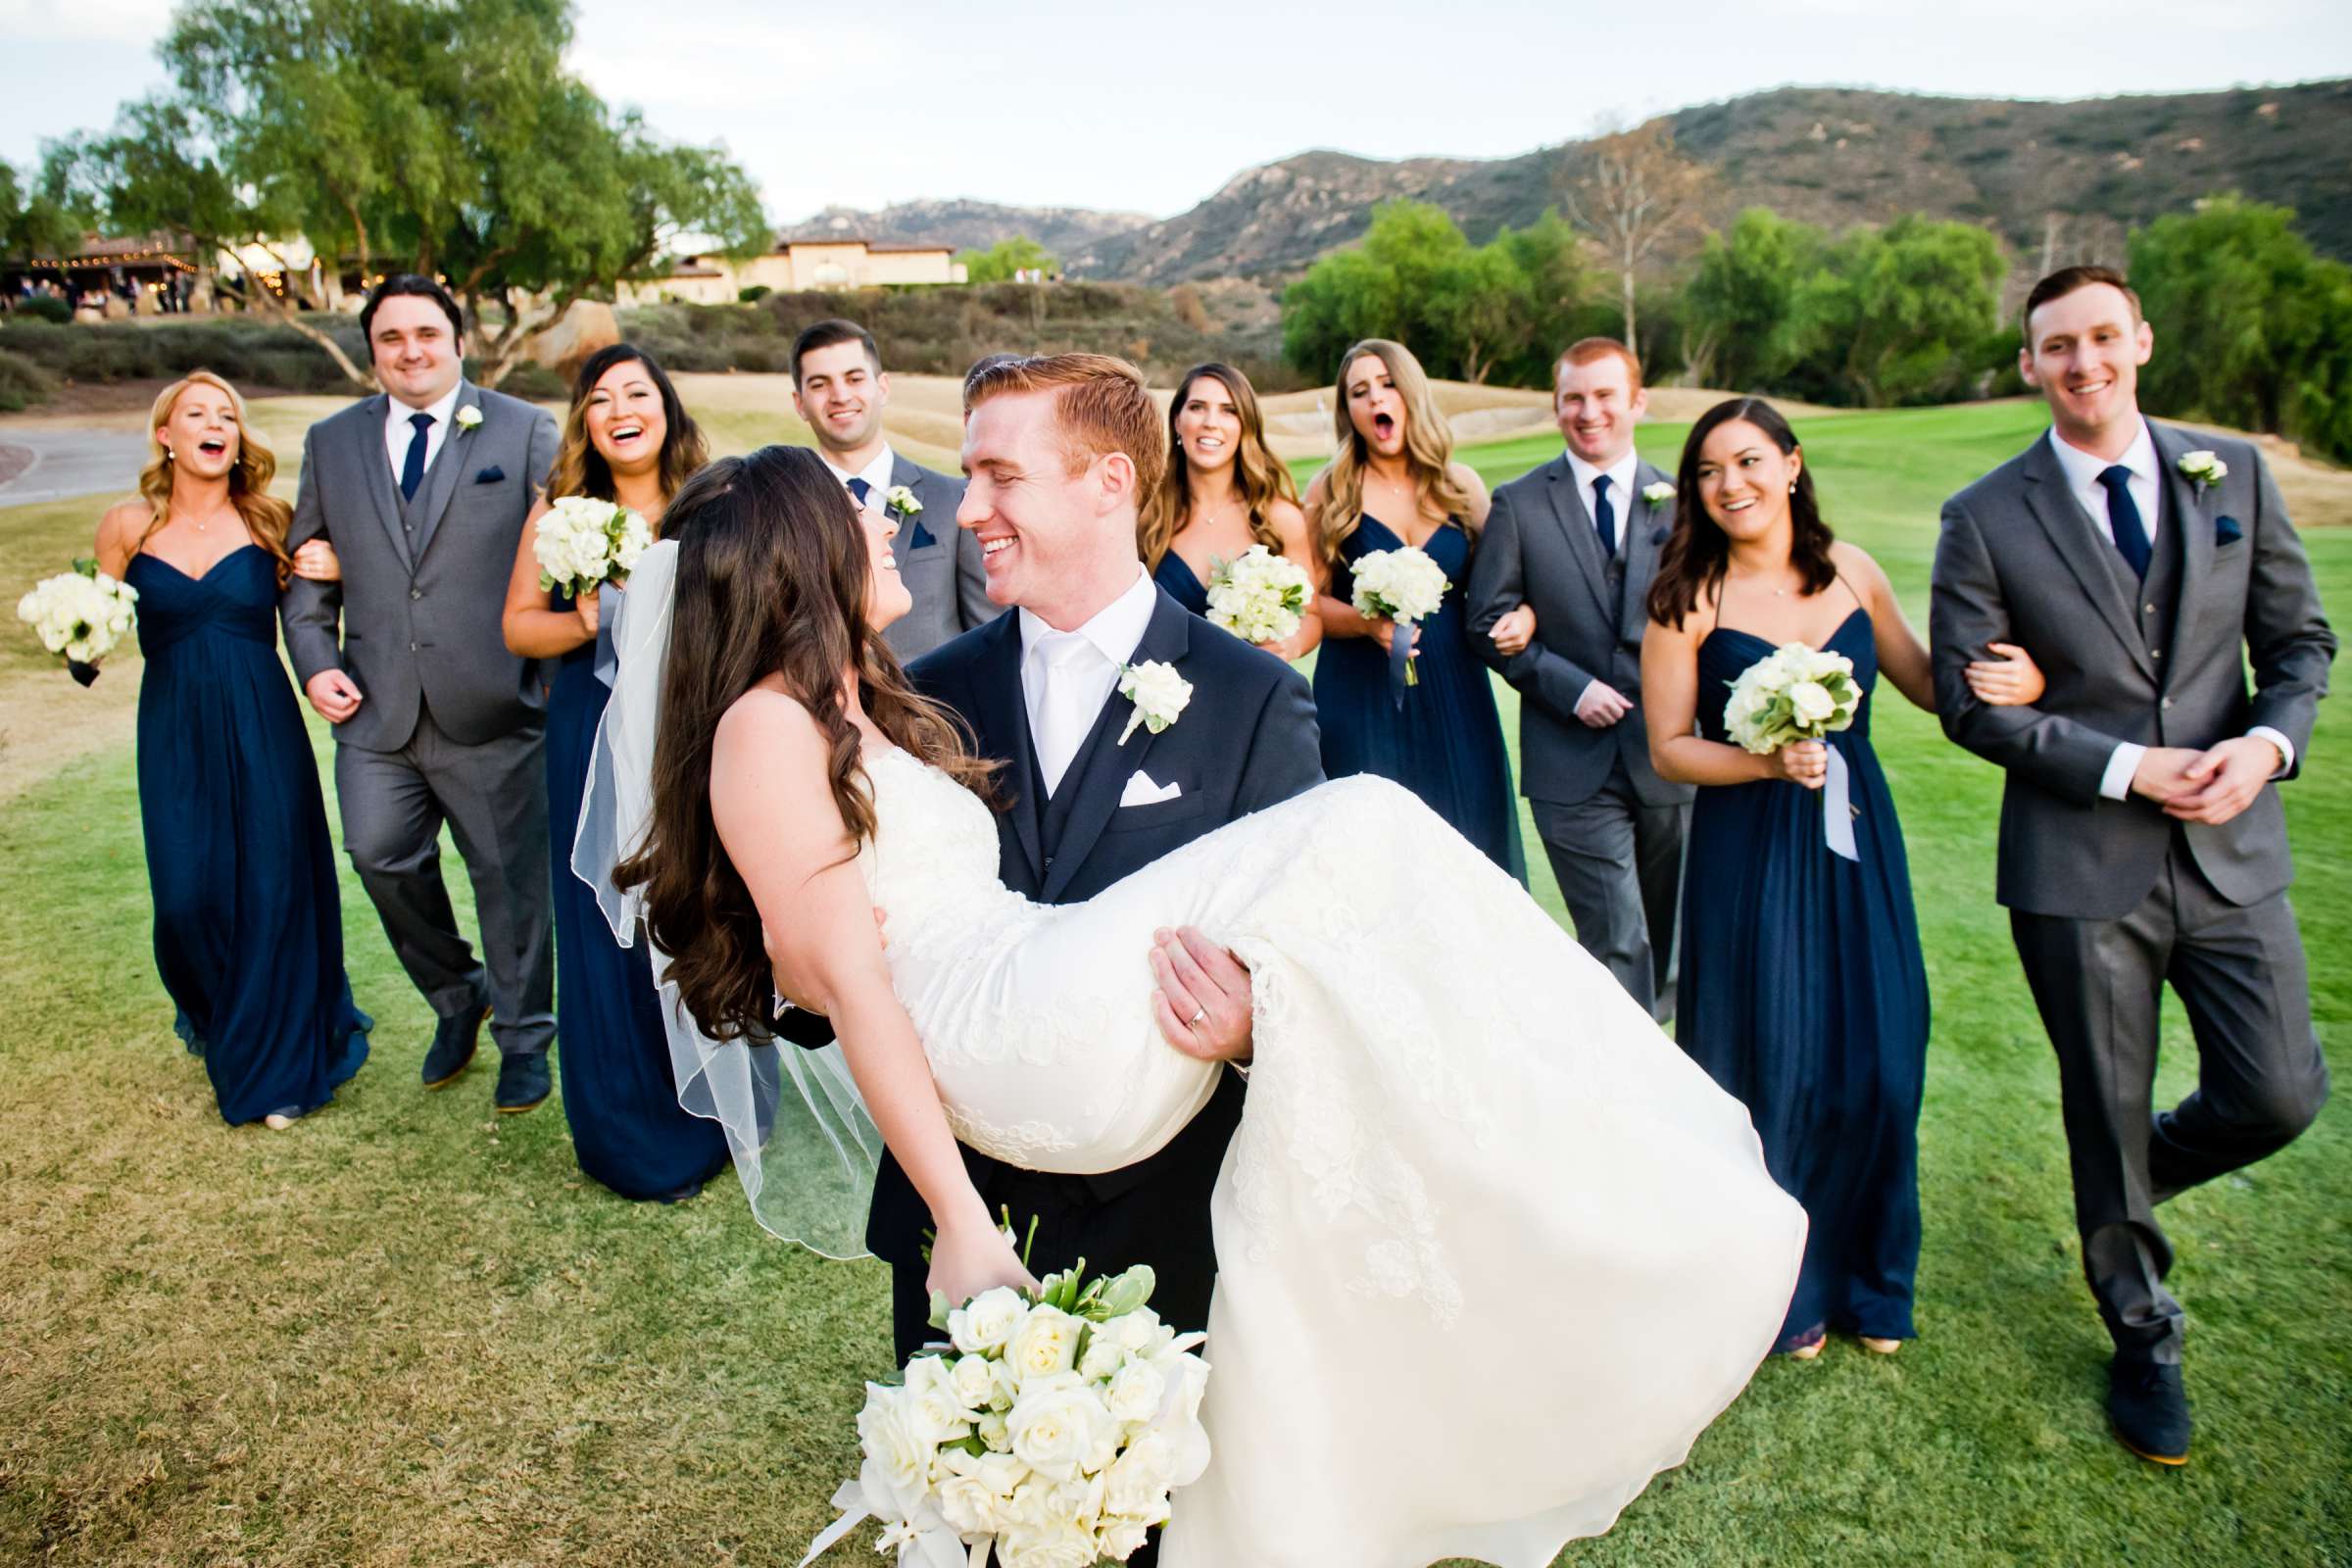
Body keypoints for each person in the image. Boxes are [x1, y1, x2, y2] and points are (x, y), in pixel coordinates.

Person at [592, 420, 1806, 1567]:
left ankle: (1553, 1185)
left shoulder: (863, 695)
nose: (907, 516)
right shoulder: (769, 724)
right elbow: (842, 987)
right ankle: (1616, 1164)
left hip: (1088, 1066)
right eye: (854, 508)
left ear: (1108, 480)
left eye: (998, 475)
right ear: (800, 551)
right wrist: (959, 1223)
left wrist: (1256, 1014)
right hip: (1005, 1042)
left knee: (1363, 847)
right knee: (1368, 826)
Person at [1930, 266, 2334, 1466]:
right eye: (2058, 346)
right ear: (2029, 366)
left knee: (2279, 1093)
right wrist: (2122, 766)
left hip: (2233, 846)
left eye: (2104, 337)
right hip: (2078, 864)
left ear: (2141, 340)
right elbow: (1968, 700)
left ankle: (2127, 1178)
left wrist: (2265, 746)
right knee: (2099, 1098)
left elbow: (2299, 643)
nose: (2084, 362)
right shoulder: (1985, 514)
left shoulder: (2236, 474)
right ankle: (2143, 1332)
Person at [1642, 397, 2046, 1361]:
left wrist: (2021, 683)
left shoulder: (1852, 570)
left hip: (1860, 843)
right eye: (1708, 470)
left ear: (1791, 464)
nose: (1730, 483)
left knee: (1884, 1052)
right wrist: (1766, 763)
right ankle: (1788, 1287)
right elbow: (1668, 751)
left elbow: (1924, 682)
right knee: (1771, 1057)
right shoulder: (1685, 598)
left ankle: (1876, 1277)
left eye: (1747, 461)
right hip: (1753, 849)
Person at [280, 273, 563, 1113]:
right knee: (377, 855)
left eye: (426, 335)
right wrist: (313, 659)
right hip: (373, 708)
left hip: (494, 704)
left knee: (510, 883)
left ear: (458, 341)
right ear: (373, 353)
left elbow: (567, 554)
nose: (411, 351)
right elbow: (306, 573)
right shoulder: (331, 443)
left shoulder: (522, 430)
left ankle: (524, 1037)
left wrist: (541, 673)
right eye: (392, 338)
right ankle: (456, 993)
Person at [93, 371, 370, 1127]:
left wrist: (342, 570)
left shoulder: (270, 520)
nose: (216, 425)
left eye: (228, 416)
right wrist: (74, 635)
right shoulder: (128, 526)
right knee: (187, 900)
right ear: (166, 435)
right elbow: (95, 627)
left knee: (274, 886)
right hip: (174, 729)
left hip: (261, 723)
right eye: (197, 414)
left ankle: (275, 1065)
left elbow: (328, 600)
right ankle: (227, 1019)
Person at [500, 344, 729, 1200]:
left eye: (637, 392)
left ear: (665, 407)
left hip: (691, 728)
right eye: (600, 398)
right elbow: (520, 628)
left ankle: (715, 1107)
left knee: (697, 905)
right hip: (590, 730)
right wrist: (585, 619)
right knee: (603, 914)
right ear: (586, 423)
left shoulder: (711, 500)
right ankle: (625, 1129)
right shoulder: (558, 512)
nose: (620, 408)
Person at [1469, 338, 1690, 1019]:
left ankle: (1680, 1082)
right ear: (1557, 405)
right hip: (1571, 767)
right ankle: (1632, 1096)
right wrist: (1569, 687)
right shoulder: (1519, 504)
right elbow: (1486, 624)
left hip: (1672, 757)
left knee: (1675, 946)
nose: (1588, 412)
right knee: (1617, 941)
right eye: (1574, 398)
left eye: (1604, 396)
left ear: (1637, 402)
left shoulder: (1682, 505)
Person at [1305, 338, 1524, 879]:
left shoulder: (1461, 488)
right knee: (1374, 856)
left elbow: (1503, 590)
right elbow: (1308, 604)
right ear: (1349, 411)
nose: (1375, 398)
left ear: (1411, 395)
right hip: (1359, 693)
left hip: (1455, 690)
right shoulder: (1330, 492)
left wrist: (1526, 616)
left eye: (1387, 384)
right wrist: (1364, 623)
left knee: (1469, 837)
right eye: (1359, 391)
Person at [791, 318, 997, 662]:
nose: (840, 396)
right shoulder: (789, 514)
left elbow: (988, 636)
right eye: (820, 384)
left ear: (882, 387)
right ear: (799, 403)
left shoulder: (952, 499)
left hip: (935, 709)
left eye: (854, 378)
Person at [1140, 361, 1321, 661]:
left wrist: (1291, 646)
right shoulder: (1148, 515)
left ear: (1245, 425)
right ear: (1176, 421)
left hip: (1249, 696)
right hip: (1160, 697)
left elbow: (1312, 615)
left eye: (1228, 410)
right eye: (1197, 407)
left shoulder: (1278, 518)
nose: (1211, 422)